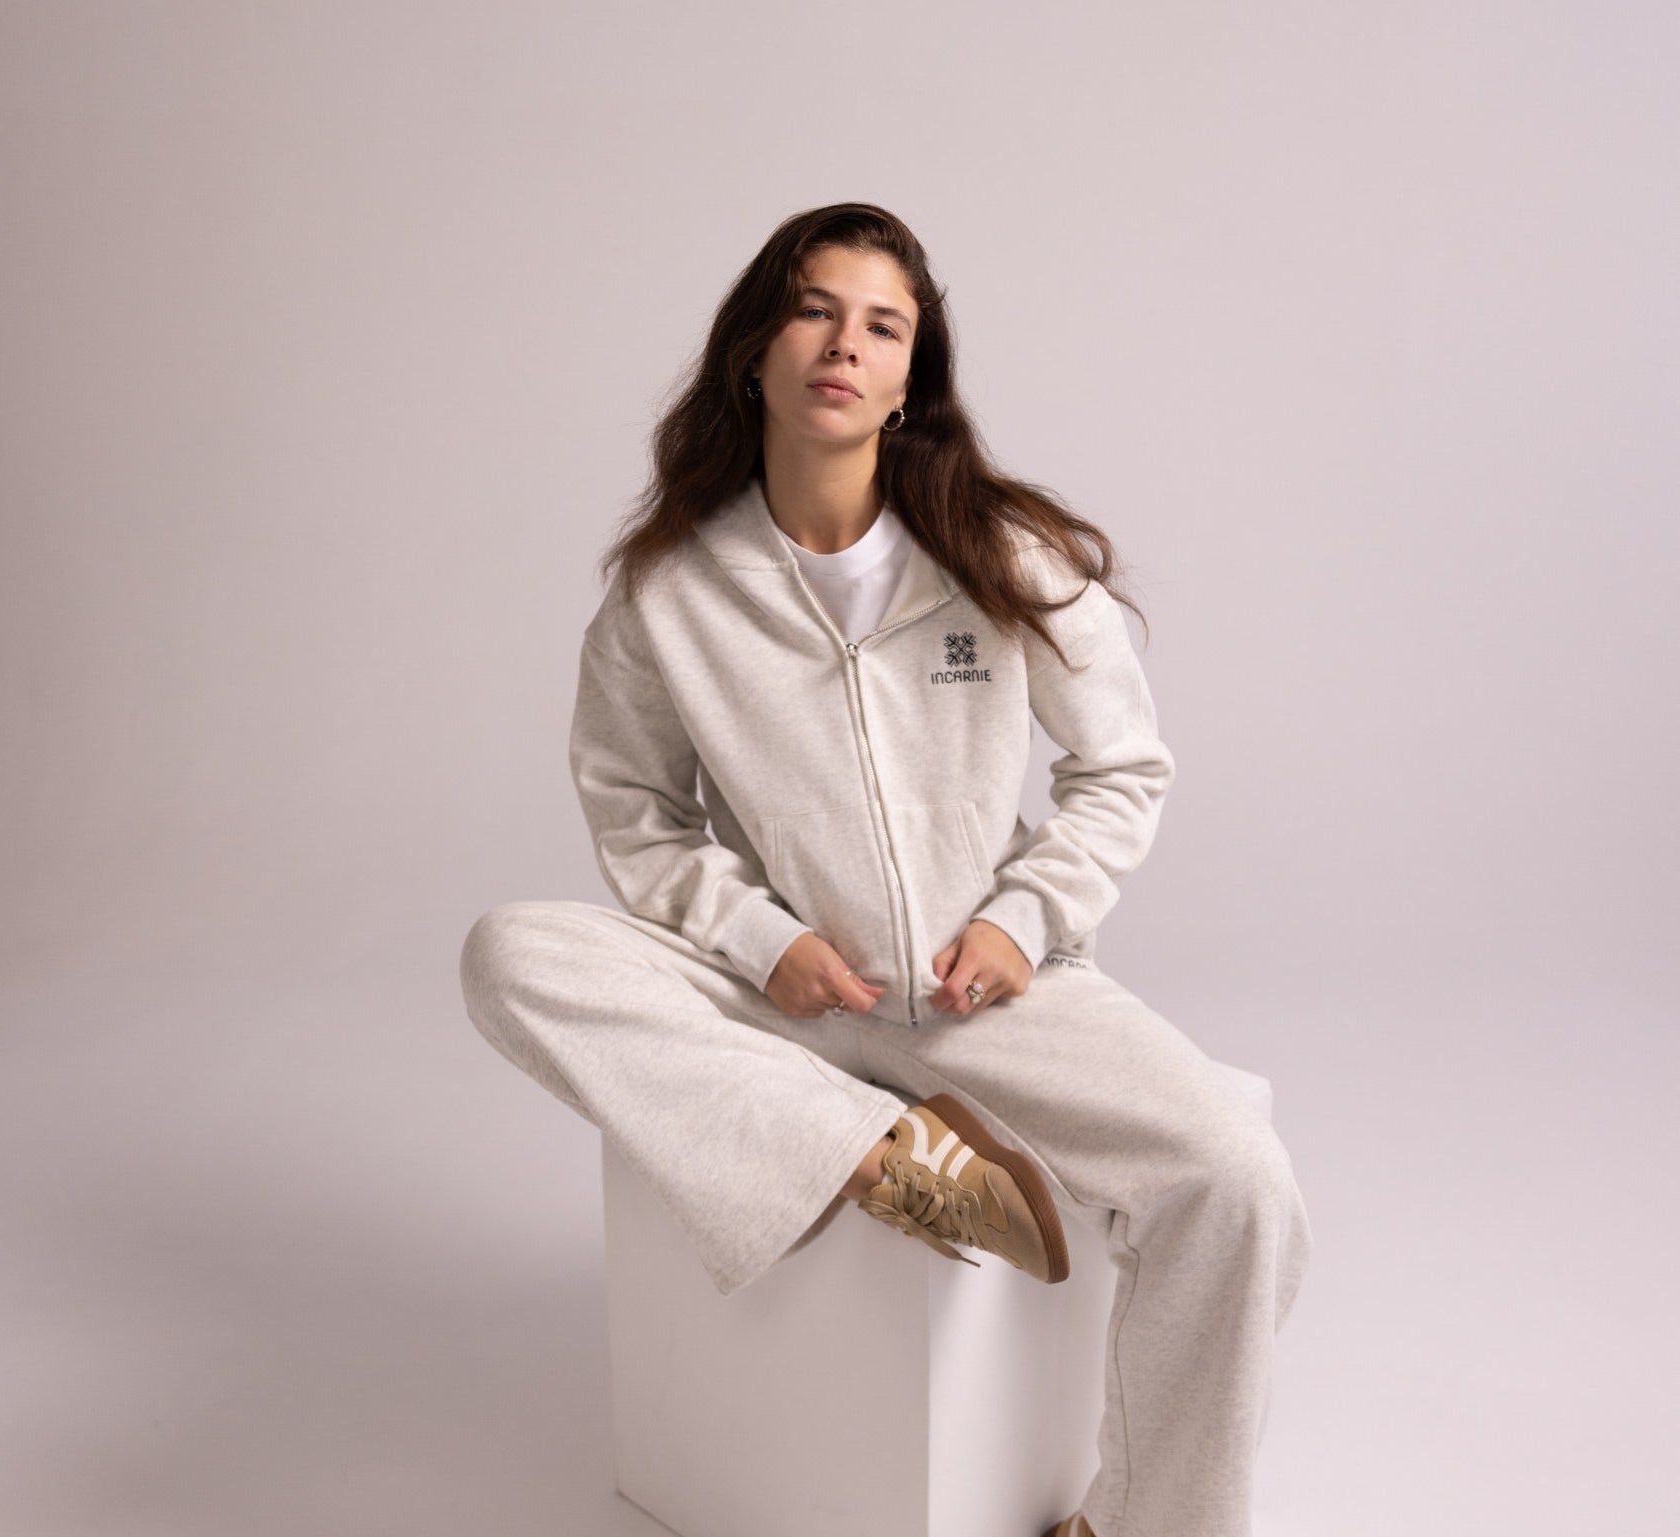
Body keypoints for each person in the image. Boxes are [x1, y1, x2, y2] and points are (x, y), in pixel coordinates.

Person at [458, 201, 1313, 1537]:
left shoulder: (994, 553)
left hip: (986, 998)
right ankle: (872, 1151)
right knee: (511, 950)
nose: (842, 343)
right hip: (793, 999)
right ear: (756, 348)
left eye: (881, 324)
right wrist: (756, 938)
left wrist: (1028, 921)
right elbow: (635, 812)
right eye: (813, 308)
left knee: (1243, 1181)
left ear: (914, 376)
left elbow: (1124, 763)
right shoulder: (668, 591)